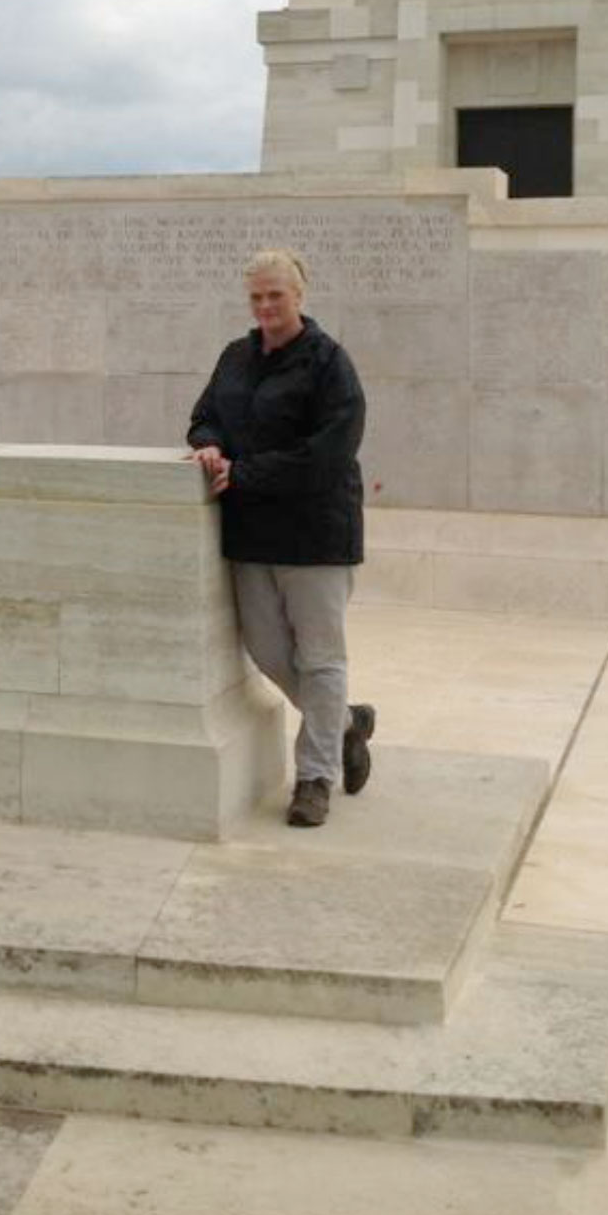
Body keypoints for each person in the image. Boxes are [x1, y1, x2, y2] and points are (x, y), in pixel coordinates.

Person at [186, 247, 373, 829]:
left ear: (299, 296)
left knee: (320, 659)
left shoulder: (328, 363)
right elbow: (204, 414)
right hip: (252, 535)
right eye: (257, 297)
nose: (266, 306)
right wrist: (210, 442)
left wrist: (246, 474)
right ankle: (344, 723)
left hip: (317, 535)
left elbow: (329, 453)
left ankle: (315, 777)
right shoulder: (236, 357)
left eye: (276, 295)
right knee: (268, 652)